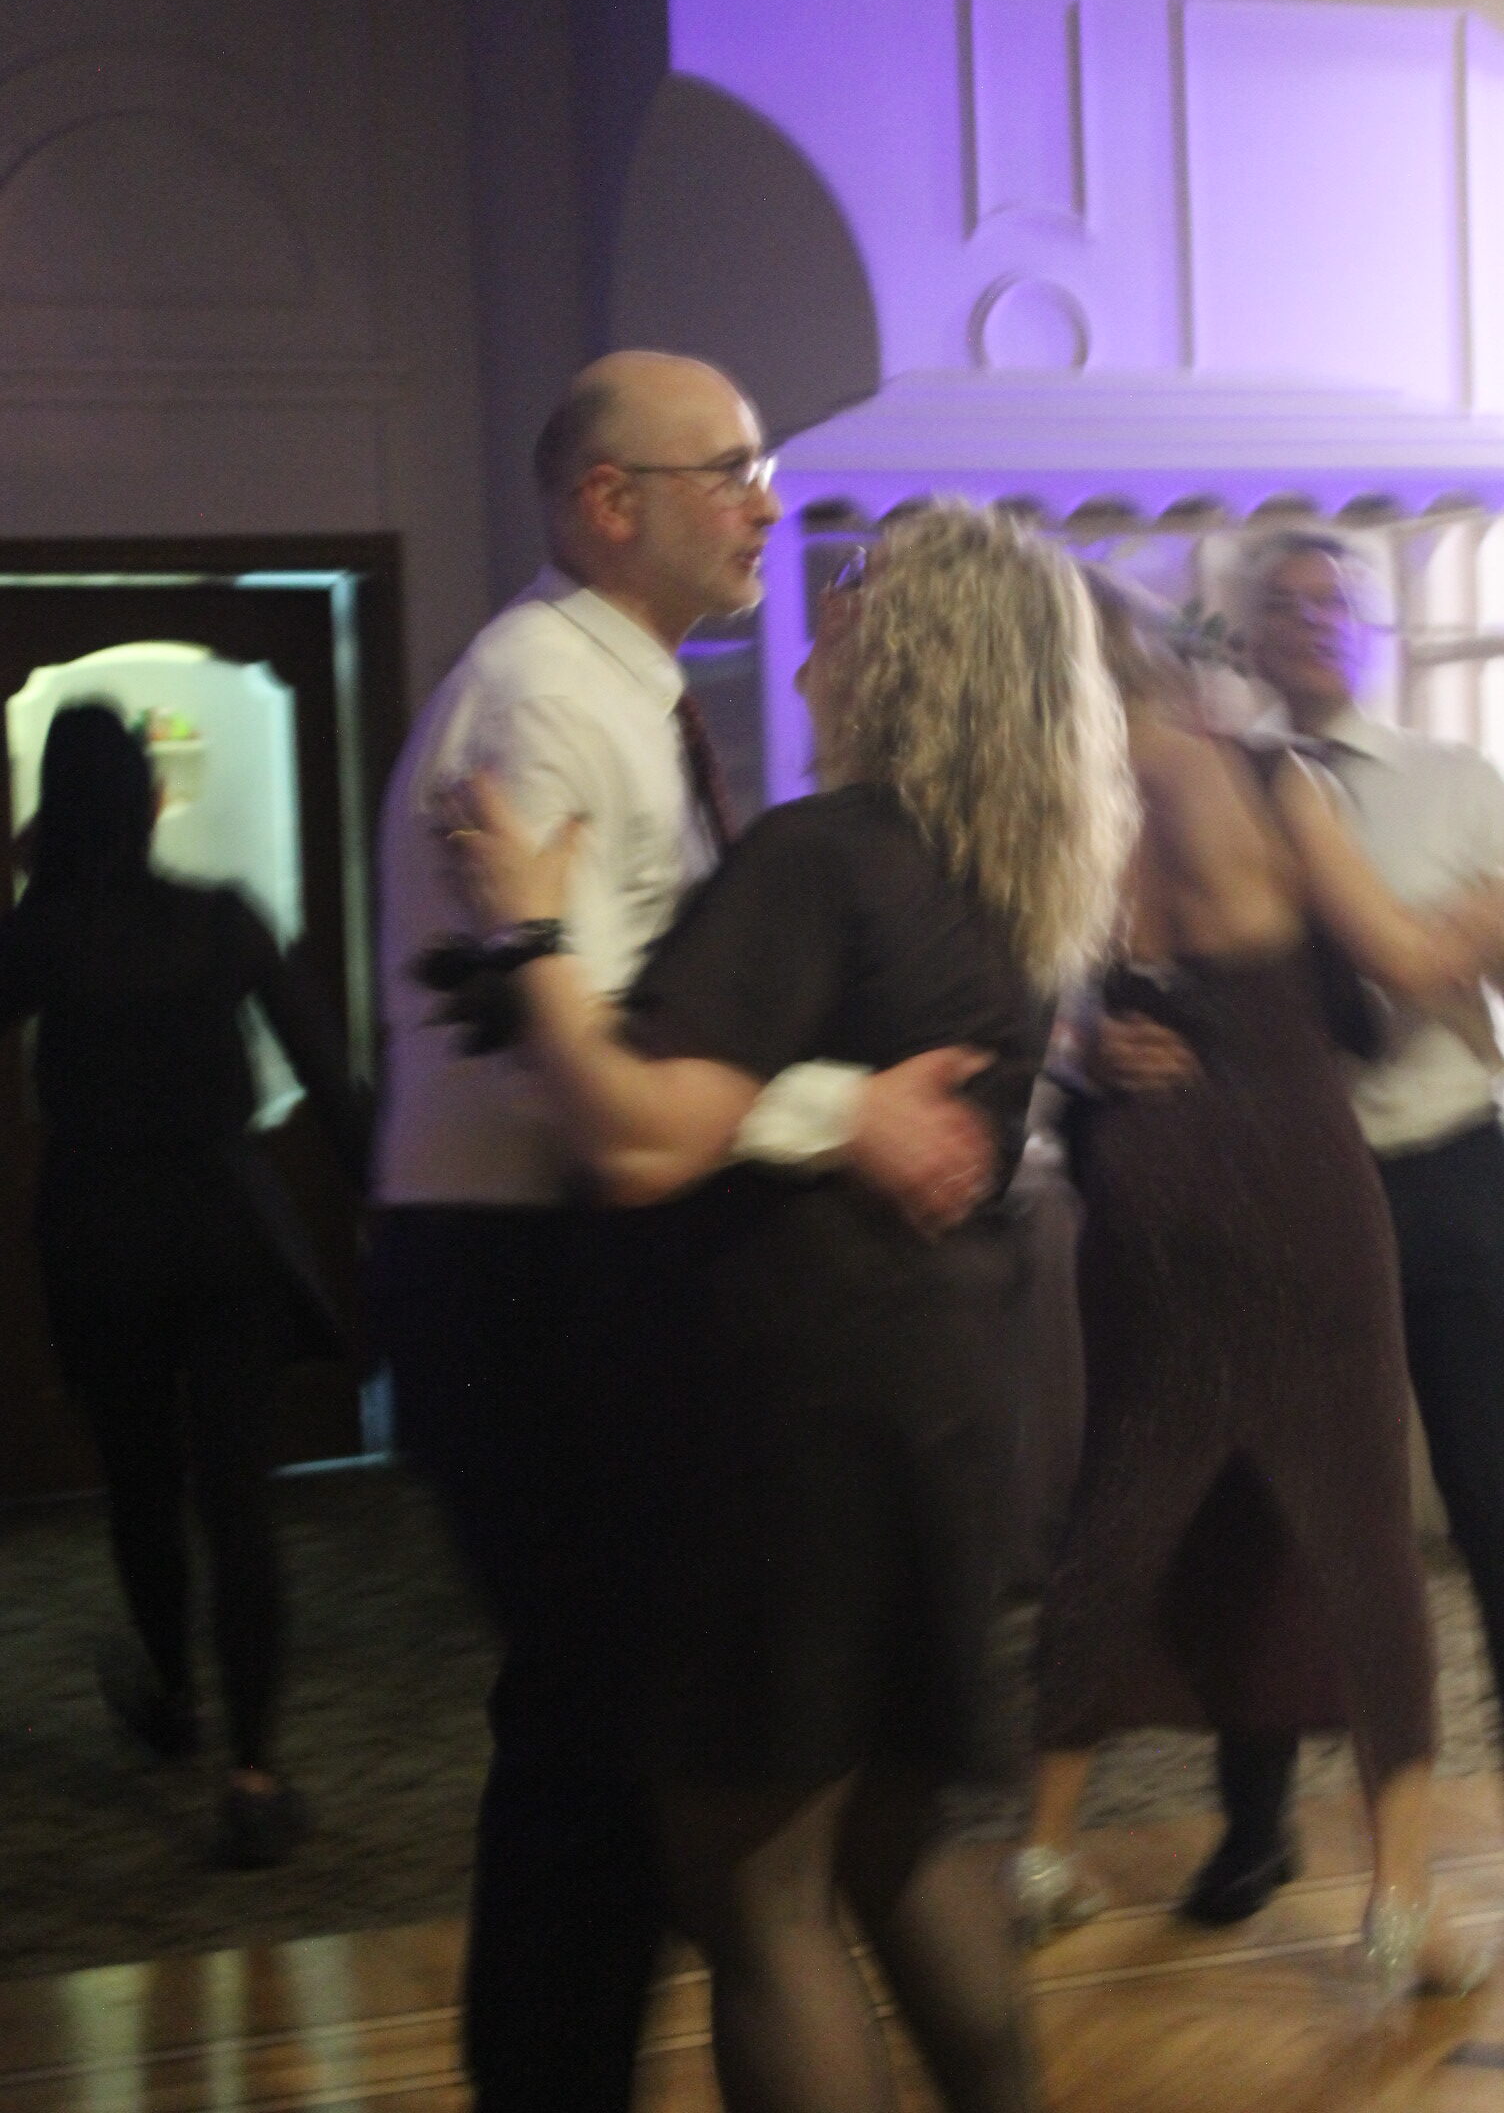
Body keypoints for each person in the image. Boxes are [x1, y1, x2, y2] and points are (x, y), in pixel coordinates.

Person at [441, 501, 1137, 2113]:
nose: (821, 624)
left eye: (856, 599)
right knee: (901, 1842)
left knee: (754, 1891)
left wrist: (525, 931)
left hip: (792, 1414)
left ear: (916, 657)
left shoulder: (825, 855)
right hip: (946, 1393)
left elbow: (638, 1135)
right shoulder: (1006, 884)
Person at [369, 352, 1002, 2113]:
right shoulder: (542, 702)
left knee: (614, 1739)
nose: (765, 504)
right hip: (519, 1259)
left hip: (574, 1250)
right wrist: (841, 1113)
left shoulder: (617, 692)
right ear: (606, 501)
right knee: (593, 1740)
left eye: (761, 466)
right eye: (726, 470)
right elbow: (590, 1060)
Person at [1014, 566, 1503, 1998]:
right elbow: (1398, 954)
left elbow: (1043, 1018)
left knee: (1121, 1509)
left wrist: (1090, 1051)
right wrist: (1483, 913)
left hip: (1149, 1192)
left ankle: (1037, 1854)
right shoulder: (1270, 776)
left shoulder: (1069, 808)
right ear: (1166, 656)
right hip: (1294, 1184)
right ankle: (1399, 1905)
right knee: (1362, 1535)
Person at [0, 702, 368, 1867]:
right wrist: (388, 1206)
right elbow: (328, 1077)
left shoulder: (39, 935)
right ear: (151, 801)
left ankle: (171, 1697)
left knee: (140, 1481)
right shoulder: (220, 920)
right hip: (223, 1222)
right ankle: (254, 1772)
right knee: (237, 1498)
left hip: (100, 1229)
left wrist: (38, 874)